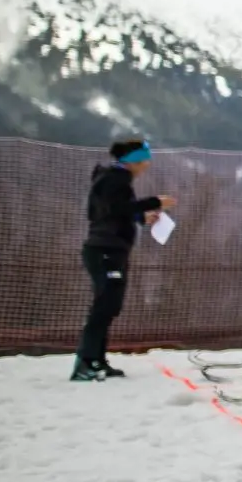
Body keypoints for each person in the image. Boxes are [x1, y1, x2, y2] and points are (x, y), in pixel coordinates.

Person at [74, 137, 173, 382]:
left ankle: (97, 359)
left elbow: (109, 211)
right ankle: (85, 362)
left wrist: (141, 218)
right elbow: (116, 209)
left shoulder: (111, 179)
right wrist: (155, 202)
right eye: (144, 160)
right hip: (105, 250)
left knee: (109, 306)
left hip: (109, 249)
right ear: (134, 161)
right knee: (103, 306)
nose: (147, 165)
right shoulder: (115, 179)